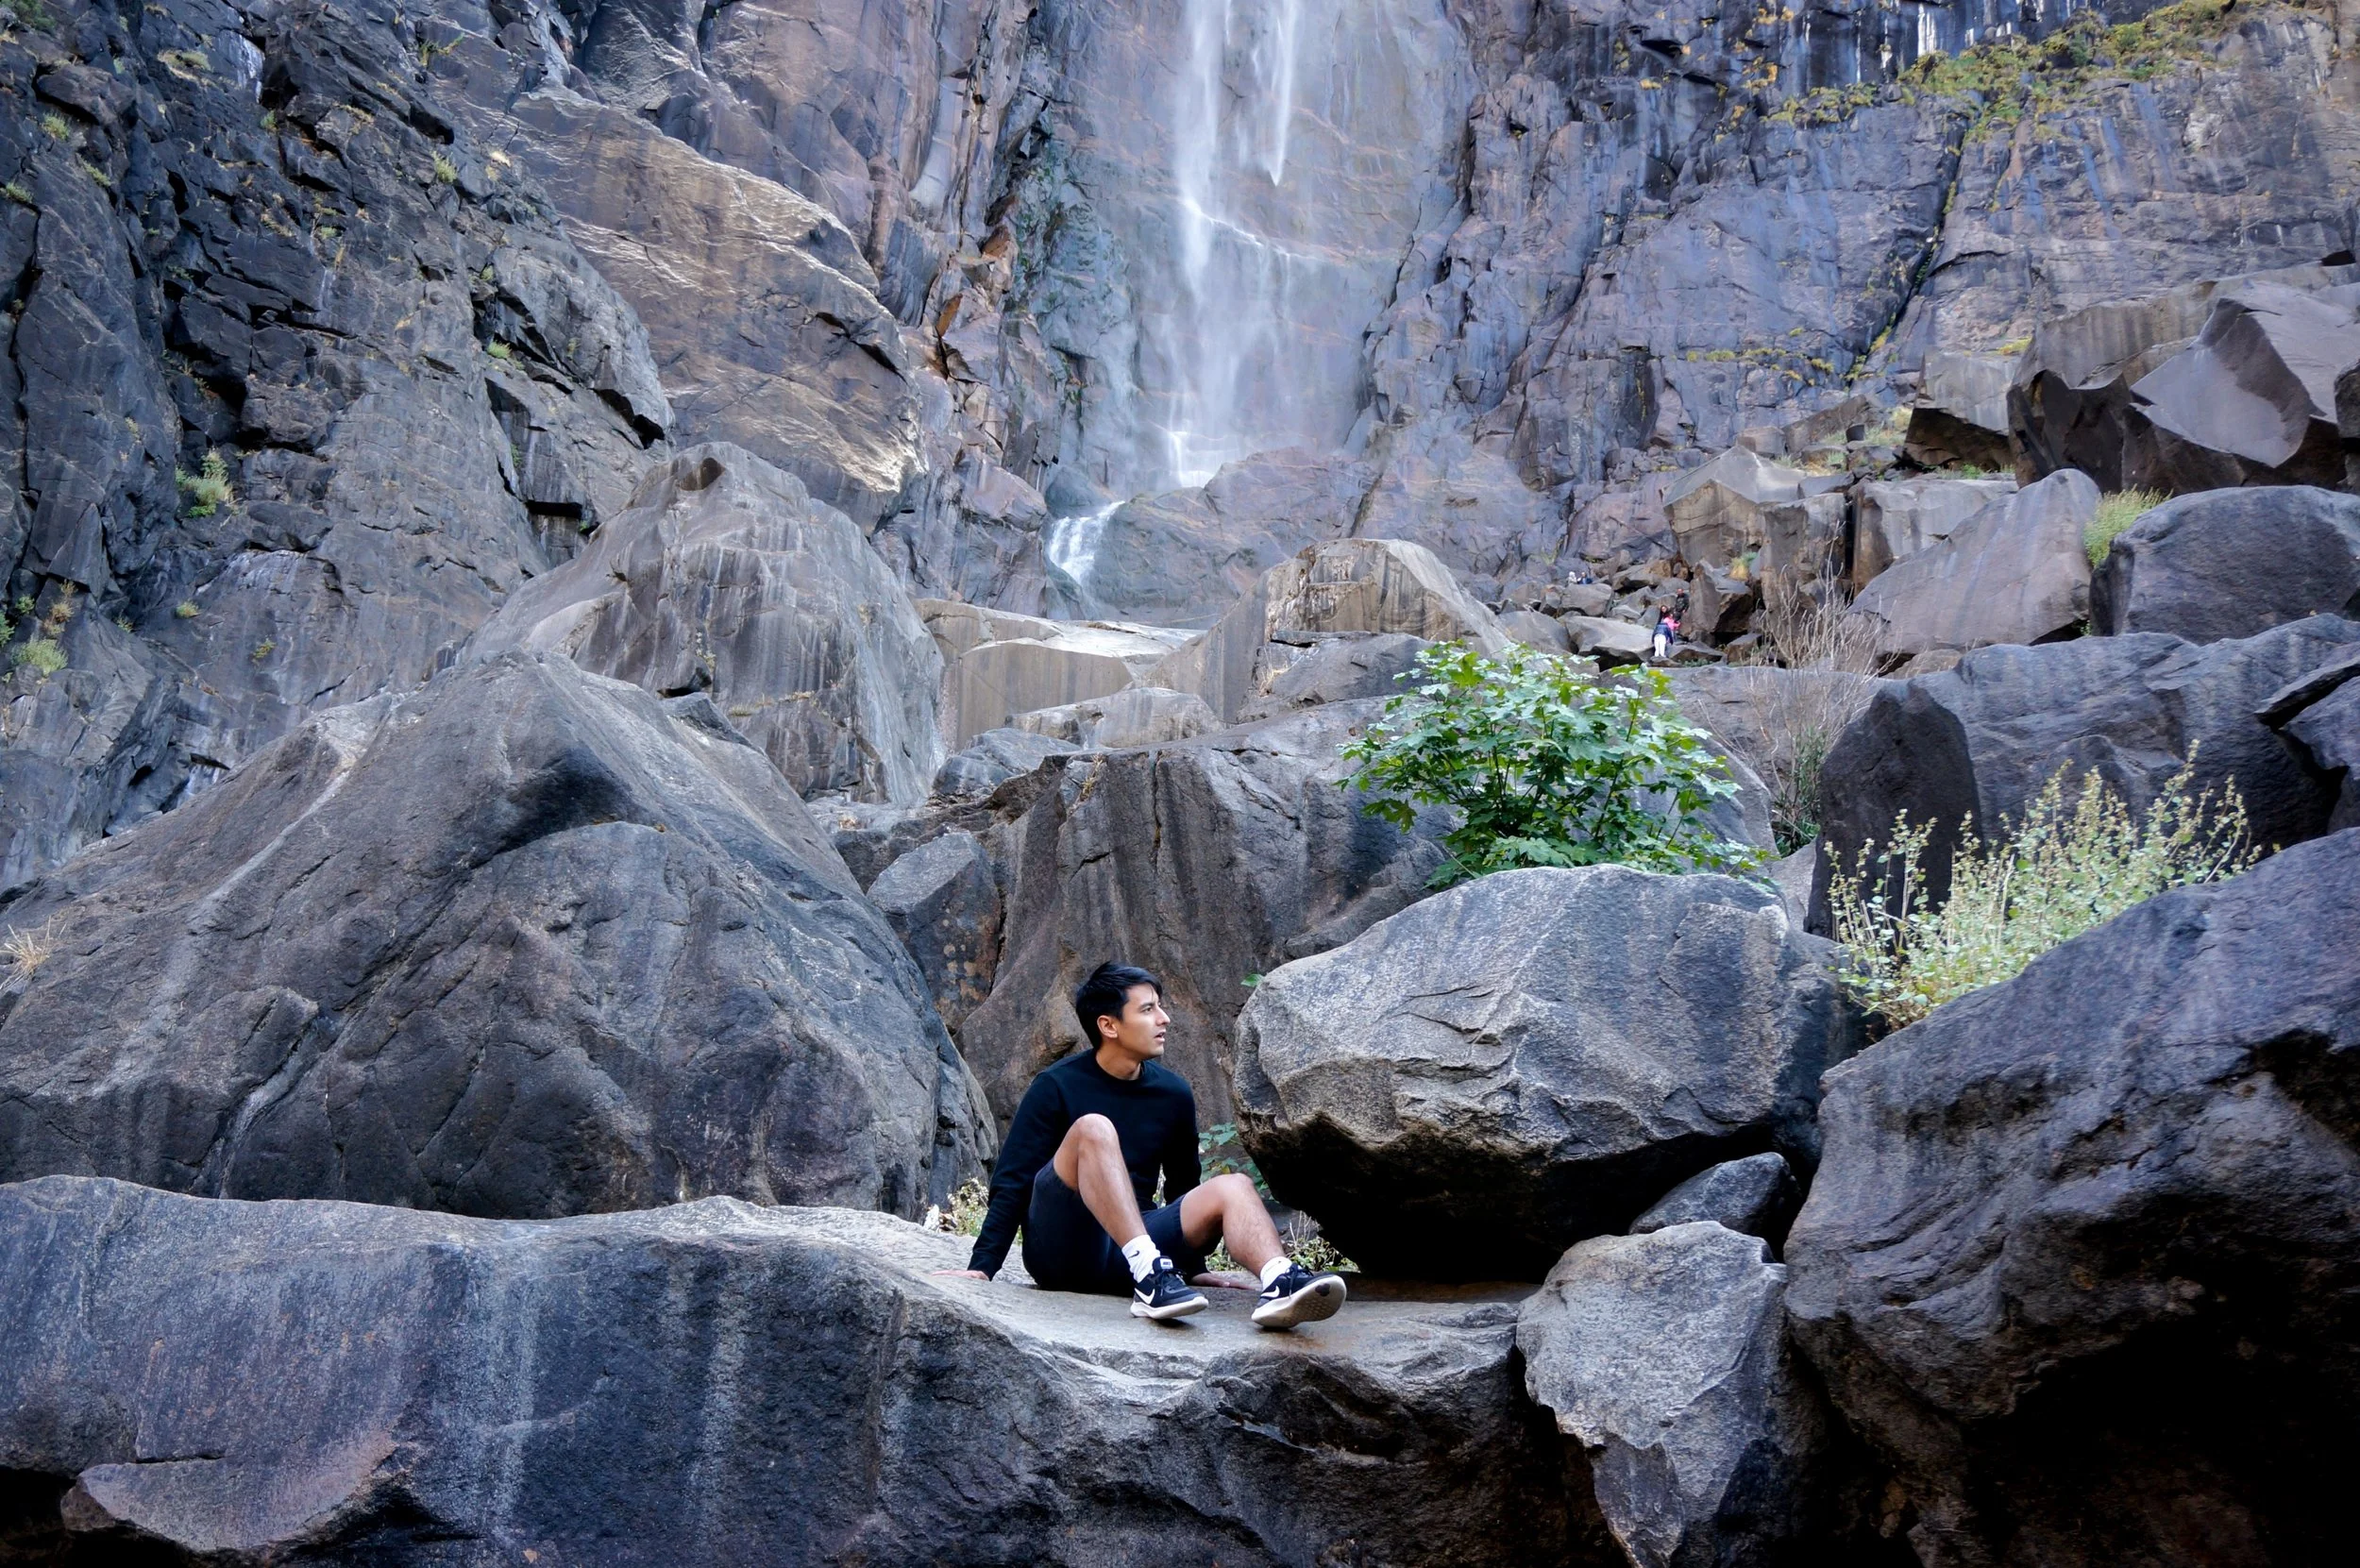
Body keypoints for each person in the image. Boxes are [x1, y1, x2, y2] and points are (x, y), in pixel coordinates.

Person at [936, 962, 1348, 1329]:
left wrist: (1193, 1265)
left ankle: (1279, 1281)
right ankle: (1149, 1273)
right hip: (1063, 1249)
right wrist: (983, 1267)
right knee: (1095, 1128)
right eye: (1148, 1009)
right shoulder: (1056, 1086)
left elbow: (1183, 1187)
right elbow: (1014, 1181)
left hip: (1131, 1247)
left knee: (1235, 1185)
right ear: (1109, 1025)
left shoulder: (1172, 1093)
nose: (1164, 1019)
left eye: (1160, 1007)